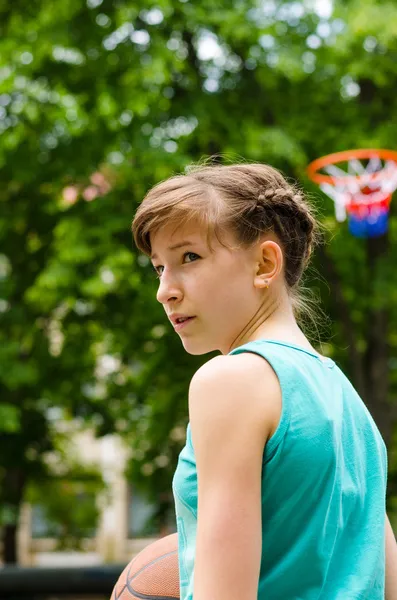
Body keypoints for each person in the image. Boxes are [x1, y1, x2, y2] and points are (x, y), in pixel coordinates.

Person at [132, 161, 397, 600]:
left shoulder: (230, 381)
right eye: (159, 267)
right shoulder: (346, 399)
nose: (165, 290)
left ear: (265, 263)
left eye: (189, 257)